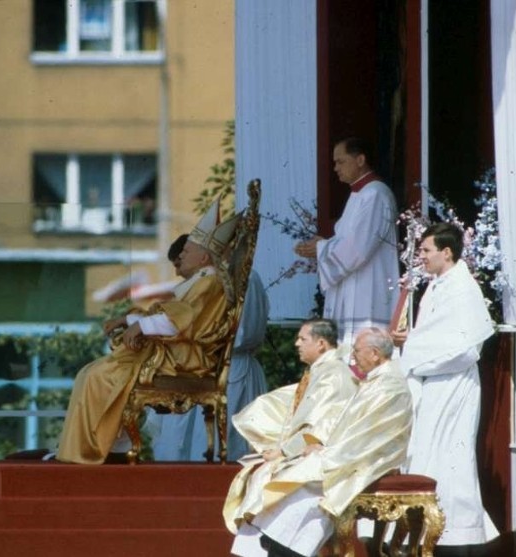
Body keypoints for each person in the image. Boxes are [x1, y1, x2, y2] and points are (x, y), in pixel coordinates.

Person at [56, 197, 242, 464]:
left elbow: (183, 322)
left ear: (203, 257)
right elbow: (171, 316)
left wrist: (141, 325)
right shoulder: (201, 281)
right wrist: (130, 321)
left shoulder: (208, 283)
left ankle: (98, 448)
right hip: (174, 351)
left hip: (184, 358)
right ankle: (107, 446)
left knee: (99, 376)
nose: (180, 257)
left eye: (186, 252)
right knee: (92, 373)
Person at [225, 327, 412, 557]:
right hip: (349, 453)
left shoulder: (388, 386)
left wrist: (325, 453)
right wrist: (320, 448)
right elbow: (349, 428)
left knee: (307, 479)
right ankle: (272, 543)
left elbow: (367, 437)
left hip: (367, 460)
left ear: (375, 354)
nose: (352, 357)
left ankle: (284, 547)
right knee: (289, 471)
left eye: (357, 351)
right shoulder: (375, 380)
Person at [391, 222, 498, 546]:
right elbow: (430, 335)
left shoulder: (463, 288)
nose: (420, 256)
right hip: (432, 382)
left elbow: (466, 347)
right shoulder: (437, 285)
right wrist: (410, 341)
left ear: (446, 252)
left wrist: (413, 346)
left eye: (425, 250)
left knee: (452, 458)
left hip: (453, 384)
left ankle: (458, 535)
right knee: (427, 455)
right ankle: (428, 532)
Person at [151, 234, 270, 462]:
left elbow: (243, 332)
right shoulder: (204, 281)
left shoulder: (245, 279)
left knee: (232, 440)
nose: (184, 260)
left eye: (187, 253)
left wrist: (201, 337)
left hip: (233, 366)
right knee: (198, 441)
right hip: (205, 366)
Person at [294, 137, 399, 346]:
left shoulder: (375, 194)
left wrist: (321, 249)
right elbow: (348, 240)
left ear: (360, 160)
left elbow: (358, 247)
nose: (335, 168)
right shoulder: (358, 194)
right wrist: (324, 244)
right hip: (355, 283)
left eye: (340, 161)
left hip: (368, 286)